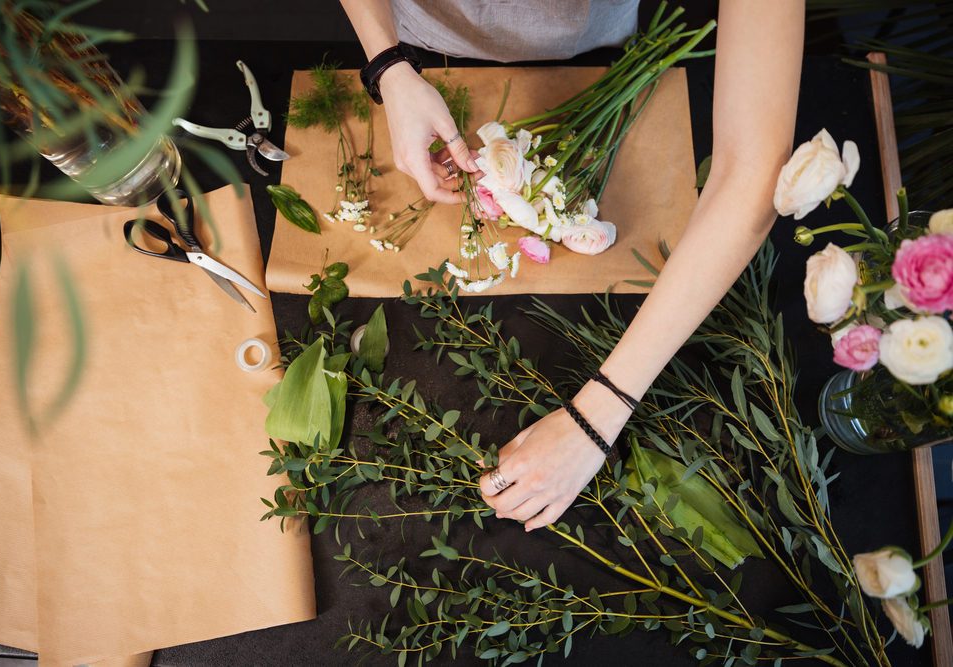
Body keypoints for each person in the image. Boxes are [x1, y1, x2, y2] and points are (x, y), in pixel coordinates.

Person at [340, 0, 805, 531]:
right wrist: (388, 66)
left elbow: (756, 170)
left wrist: (597, 415)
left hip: (591, 47)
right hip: (409, 36)